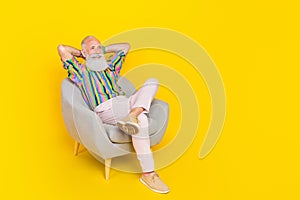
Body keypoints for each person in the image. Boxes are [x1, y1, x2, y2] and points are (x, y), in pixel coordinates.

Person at [57, 35, 170, 194]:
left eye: (99, 46)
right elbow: (62, 49)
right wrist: (82, 54)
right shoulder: (81, 72)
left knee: (152, 81)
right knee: (142, 120)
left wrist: (102, 49)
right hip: (107, 108)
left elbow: (126, 46)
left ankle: (133, 114)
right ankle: (149, 174)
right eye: (92, 48)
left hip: (126, 103)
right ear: (85, 52)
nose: (97, 50)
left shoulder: (111, 68)